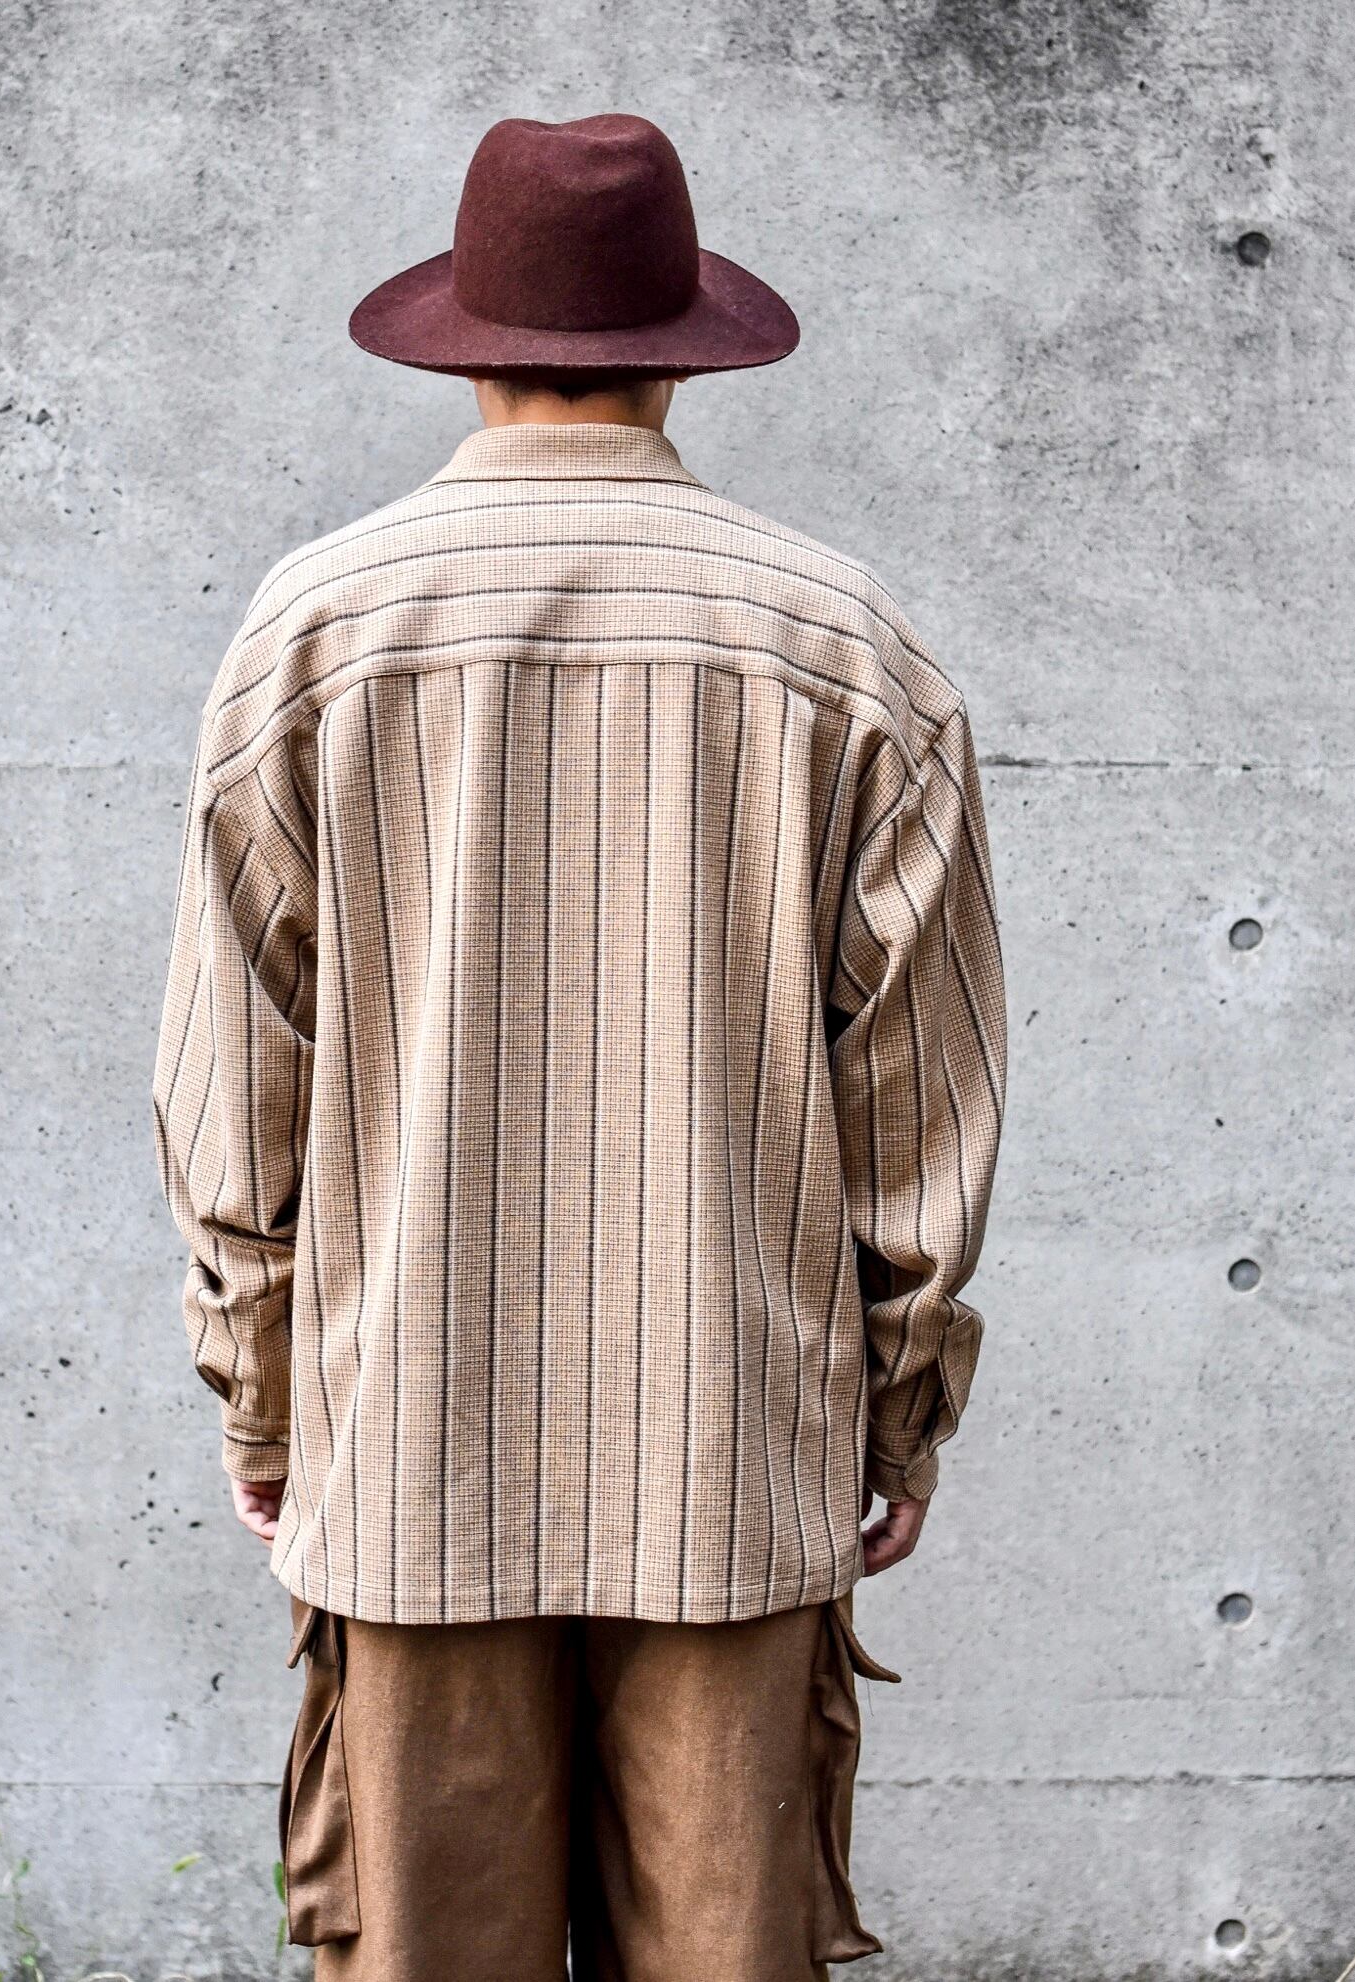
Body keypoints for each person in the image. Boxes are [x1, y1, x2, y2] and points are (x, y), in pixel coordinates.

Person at [151, 110, 1007, 1980]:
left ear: (463, 340)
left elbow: (236, 1081)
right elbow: (920, 1100)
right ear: (681, 348)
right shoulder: (845, 644)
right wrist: (898, 1408)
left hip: (407, 1441)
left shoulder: (314, 631)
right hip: (732, 1451)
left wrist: (261, 1392)